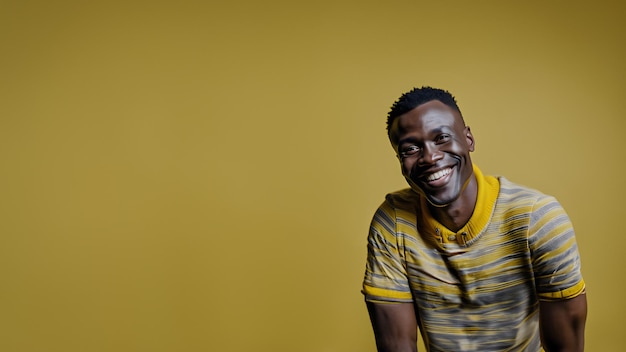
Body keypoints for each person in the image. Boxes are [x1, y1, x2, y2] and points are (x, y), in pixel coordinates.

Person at [362, 86, 587, 352]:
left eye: (441, 137)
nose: (430, 157)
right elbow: (396, 345)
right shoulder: (393, 224)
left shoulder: (538, 219)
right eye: (411, 149)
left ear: (468, 139)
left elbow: (566, 347)